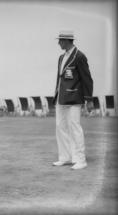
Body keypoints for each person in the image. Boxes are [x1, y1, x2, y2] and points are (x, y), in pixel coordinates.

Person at [52, 31, 94, 170]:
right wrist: (56, 95)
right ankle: (65, 157)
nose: (58, 43)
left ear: (67, 41)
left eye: (60, 41)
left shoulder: (80, 56)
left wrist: (89, 99)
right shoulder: (61, 57)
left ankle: (80, 160)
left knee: (75, 127)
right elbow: (60, 79)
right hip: (61, 98)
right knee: (60, 127)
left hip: (75, 98)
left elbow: (87, 78)